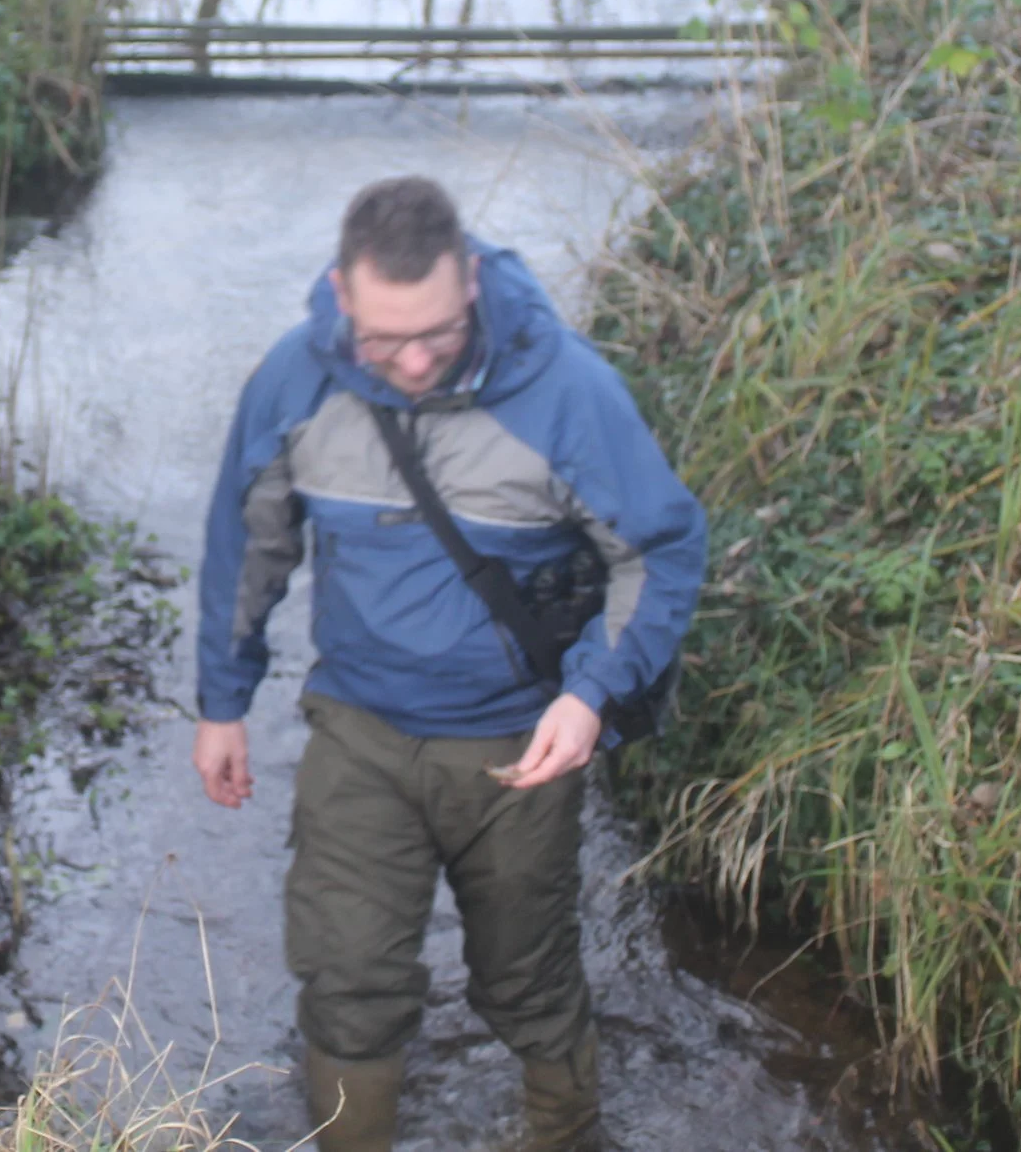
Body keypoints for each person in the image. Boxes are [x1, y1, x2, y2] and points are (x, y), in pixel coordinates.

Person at [191, 177, 706, 1152]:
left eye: (438, 329)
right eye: (388, 340)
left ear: (470, 279)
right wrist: (222, 703)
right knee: (347, 979)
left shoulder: (566, 390)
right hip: (360, 726)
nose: (418, 359)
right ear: (343, 298)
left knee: (526, 977)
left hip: (518, 738)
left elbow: (662, 549)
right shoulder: (293, 382)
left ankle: (565, 1134)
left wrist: (592, 695)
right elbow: (245, 543)